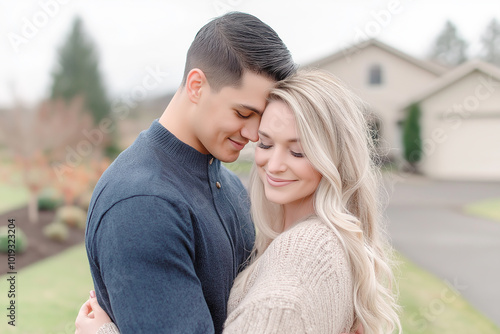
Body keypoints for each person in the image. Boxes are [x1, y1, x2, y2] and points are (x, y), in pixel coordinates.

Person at [77, 70, 402, 333]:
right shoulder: (326, 243)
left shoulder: (296, 267)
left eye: (298, 151)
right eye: (264, 143)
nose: (273, 165)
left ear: (335, 160)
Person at [81, 11, 296, 334]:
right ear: (196, 85)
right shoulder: (142, 204)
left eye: (260, 117)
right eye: (242, 113)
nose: (254, 134)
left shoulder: (231, 185)